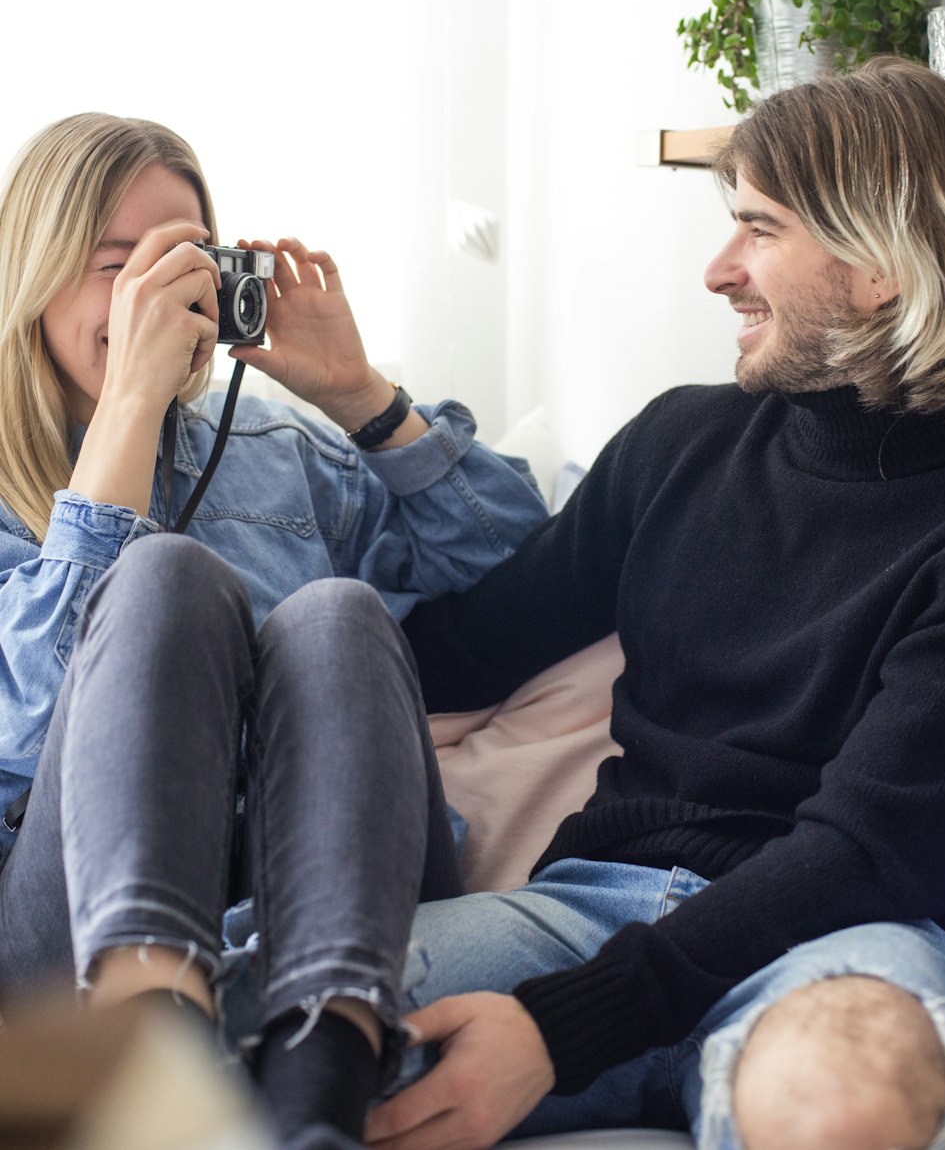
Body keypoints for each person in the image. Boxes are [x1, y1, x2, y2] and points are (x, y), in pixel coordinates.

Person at [359, 57, 945, 1150]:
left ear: (882, 262)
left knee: (839, 1097)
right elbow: (459, 652)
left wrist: (560, 1033)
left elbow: (871, 852)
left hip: (855, 940)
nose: (717, 270)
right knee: (222, 1018)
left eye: (758, 228)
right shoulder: (680, 442)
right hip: (582, 910)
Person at [0, 112, 548, 1147]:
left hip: (320, 898)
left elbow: (520, 571)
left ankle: (316, 1087)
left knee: (335, 613)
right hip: (64, 936)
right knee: (163, 577)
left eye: (184, 262)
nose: (158, 295)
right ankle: (147, 1042)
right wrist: (125, 416)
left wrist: (359, 396)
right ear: (33, 274)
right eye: (117, 267)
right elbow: (22, 738)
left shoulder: (275, 450)